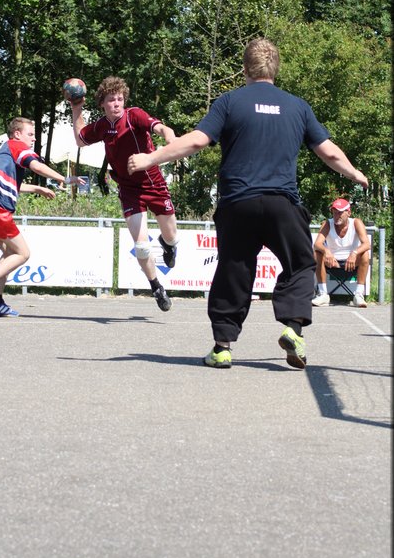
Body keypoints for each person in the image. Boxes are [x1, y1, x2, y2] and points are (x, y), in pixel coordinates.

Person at [127, 38, 369, 369]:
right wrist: (354, 172)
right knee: (301, 263)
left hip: (238, 205)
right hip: (282, 204)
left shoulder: (229, 102)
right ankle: (293, 328)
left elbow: (196, 141)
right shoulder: (297, 106)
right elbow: (328, 151)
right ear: (276, 69)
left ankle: (222, 347)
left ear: (244, 69)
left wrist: (150, 158)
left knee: (234, 270)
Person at [70, 76, 179, 312]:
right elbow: (80, 140)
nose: (117, 103)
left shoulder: (134, 115)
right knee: (141, 246)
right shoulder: (102, 126)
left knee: (171, 236)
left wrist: (169, 136)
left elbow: (160, 127)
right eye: (112, 100)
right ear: (102, 103)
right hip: (129, 189)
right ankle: (156, 287)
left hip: (153, 183)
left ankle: (169, 244)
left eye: (120, 99)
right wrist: (76, 109)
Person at [0, 117, 84, 317]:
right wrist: (64, 178)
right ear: (17, 134)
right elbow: (36, 166)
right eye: (30, 134)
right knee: (23, 253)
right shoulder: (16, 145)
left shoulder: (4, 153)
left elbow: (10, 184)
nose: (34, 139)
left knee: (9, 252)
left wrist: (38, 188)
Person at [312, 197, 371, 308]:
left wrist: (354, 253)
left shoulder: (356, 223)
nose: (336, 216)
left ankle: (358, 295)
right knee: (317, 253)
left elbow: (367, 244)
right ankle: (323, 294)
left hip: (352, 262)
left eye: (340, 213)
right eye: (334, 212)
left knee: (365, 254)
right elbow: (317, 244)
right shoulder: (327, 224)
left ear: (349, 213)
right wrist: (326, 251)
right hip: (332, 262)